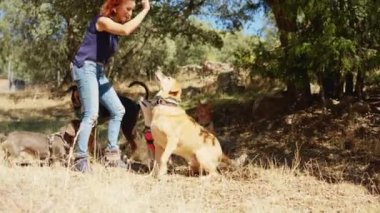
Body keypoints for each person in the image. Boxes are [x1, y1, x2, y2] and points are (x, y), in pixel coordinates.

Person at [70, 0, 150, 172]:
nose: (129, 14)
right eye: (127, 9)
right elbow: (127, 29)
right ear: (115, 6)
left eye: (132, 11)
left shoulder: (112, 32)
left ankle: (112, 157)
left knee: (118, 110)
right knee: (91, 114)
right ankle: (79, 159)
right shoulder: (102, 21)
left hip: (98, 71)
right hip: (85, 67)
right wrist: (146, 9)